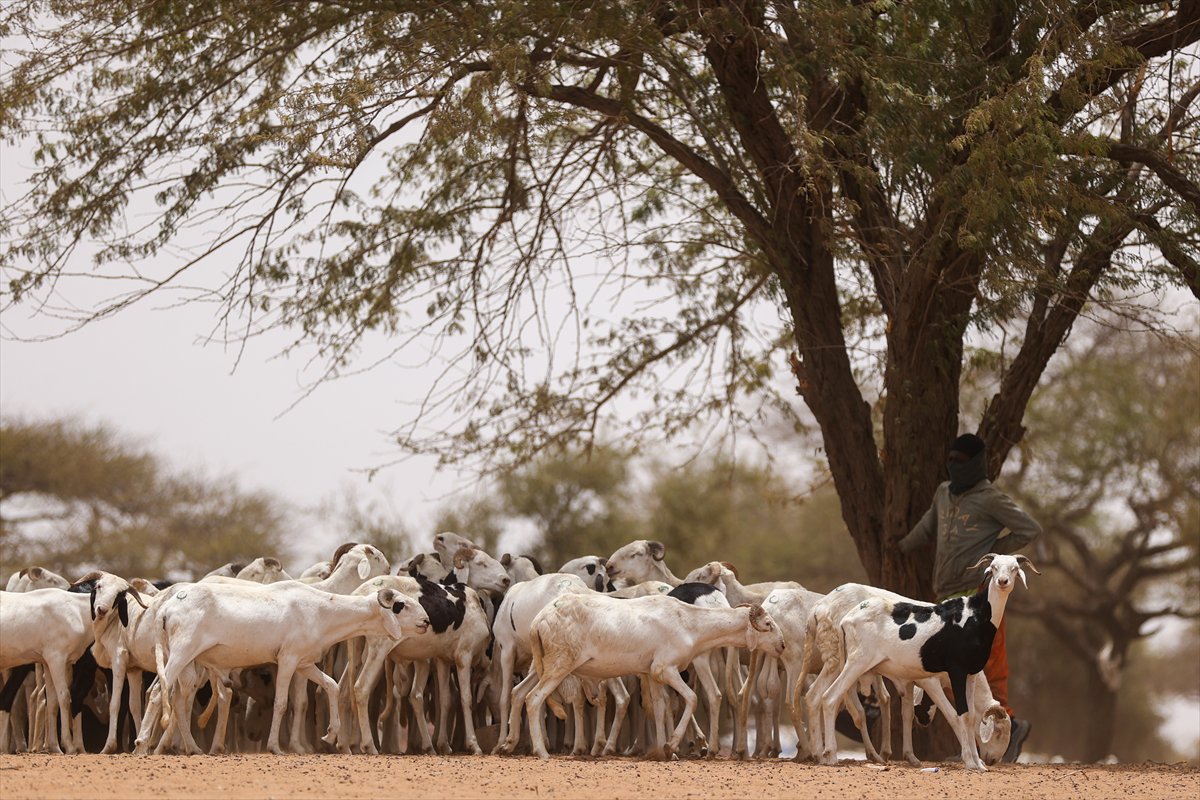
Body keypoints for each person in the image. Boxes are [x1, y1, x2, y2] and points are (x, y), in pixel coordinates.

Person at [898, 432, 1042, 763]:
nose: (953, 465)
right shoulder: (944, 493)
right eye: (950, 460)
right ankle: (977, 745)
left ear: (976, 464)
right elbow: (926, 528)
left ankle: (1006, 730)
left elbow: (1030, 529)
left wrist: (994, 558)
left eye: (960, 461)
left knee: (989, 667)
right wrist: (901, 544)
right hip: (946, 595)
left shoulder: (989, 497)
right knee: (952, 671)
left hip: (980, 594)